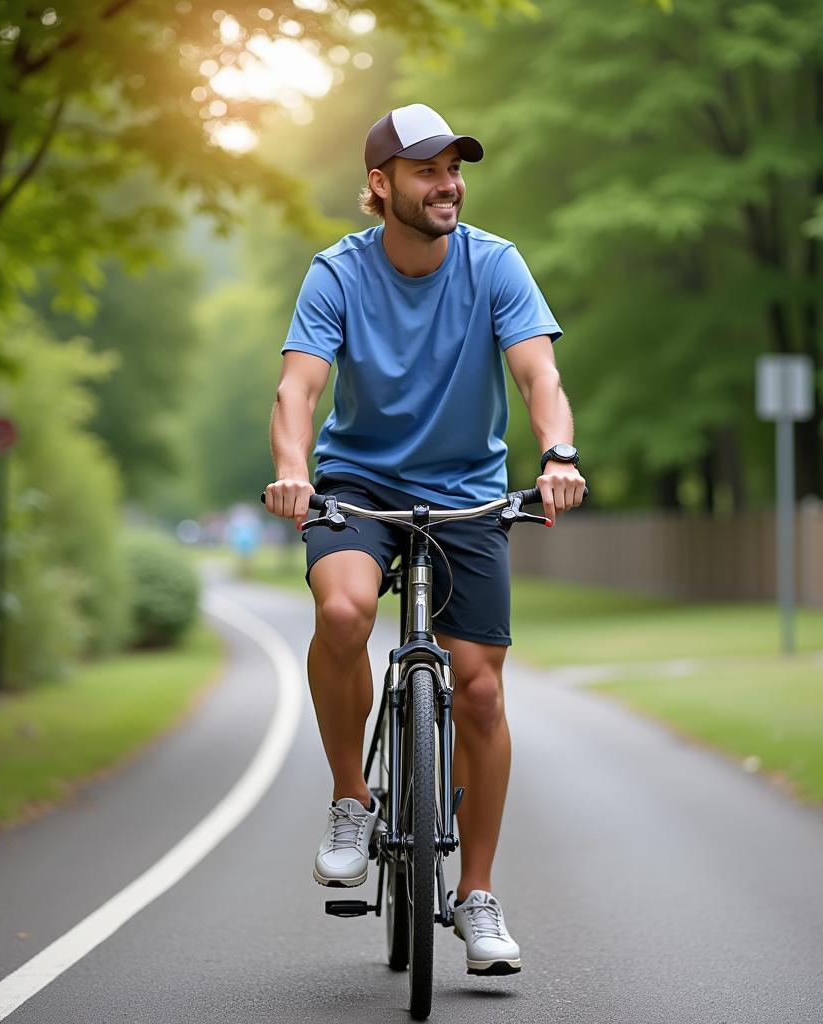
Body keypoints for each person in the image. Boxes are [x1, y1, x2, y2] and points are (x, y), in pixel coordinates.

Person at [264, 103, 586, 977]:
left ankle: (476, 895)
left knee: (478, 693)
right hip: (359, 484)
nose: (447, 184)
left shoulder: (496, 265)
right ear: (381, 184)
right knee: (342, 612)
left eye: (454, 168)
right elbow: (299, 389)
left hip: (467, 493)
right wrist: (294, 468)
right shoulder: (337, 272)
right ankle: (350, 798)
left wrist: (558, 450)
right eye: (426, 170)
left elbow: (537, 371)